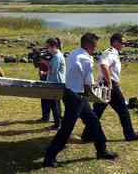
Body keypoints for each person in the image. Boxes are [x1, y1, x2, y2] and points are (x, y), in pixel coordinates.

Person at [43, 33, 118, 168]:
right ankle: (49, 157)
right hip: (76, 97)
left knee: (93, 121)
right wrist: (97, 86)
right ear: (89, 45)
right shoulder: (85, 58)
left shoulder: (74, 53)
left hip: (72, 93)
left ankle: (102, 150)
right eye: (95, 46)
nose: (95, 49)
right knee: (66, 129)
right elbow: (88, 84)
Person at [81, 33, 138, 143]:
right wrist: (109, 83)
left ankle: (87, 135)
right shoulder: (110, 53)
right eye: (122, 43)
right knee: (123, 111)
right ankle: (130, 134)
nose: (123, 45)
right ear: (115, 42)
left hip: (105, 84)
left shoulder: (113, 53)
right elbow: (104, 65)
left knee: (97, 112)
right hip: (109, 85)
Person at [45, 38, 66, 130]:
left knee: (55, 105)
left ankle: (58, 124)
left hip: (56, 83)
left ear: (53, 46)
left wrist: (45, 63)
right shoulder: (56, 56)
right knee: (55, 104)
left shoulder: (57, 56)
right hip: (55, 82)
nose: (47, 49)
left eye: (48, 47)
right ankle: (57, 123)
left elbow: (53, 71)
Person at [36, 53, 51, 123]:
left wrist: (44, 73)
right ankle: (45, 117)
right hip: (43, 81)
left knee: (51, 101)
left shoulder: (49, 62)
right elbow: (39, 72)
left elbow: (52, 71)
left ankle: (57, 118)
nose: (41, 60)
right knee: (44, 100)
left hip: (48, 82)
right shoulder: (41, 64)